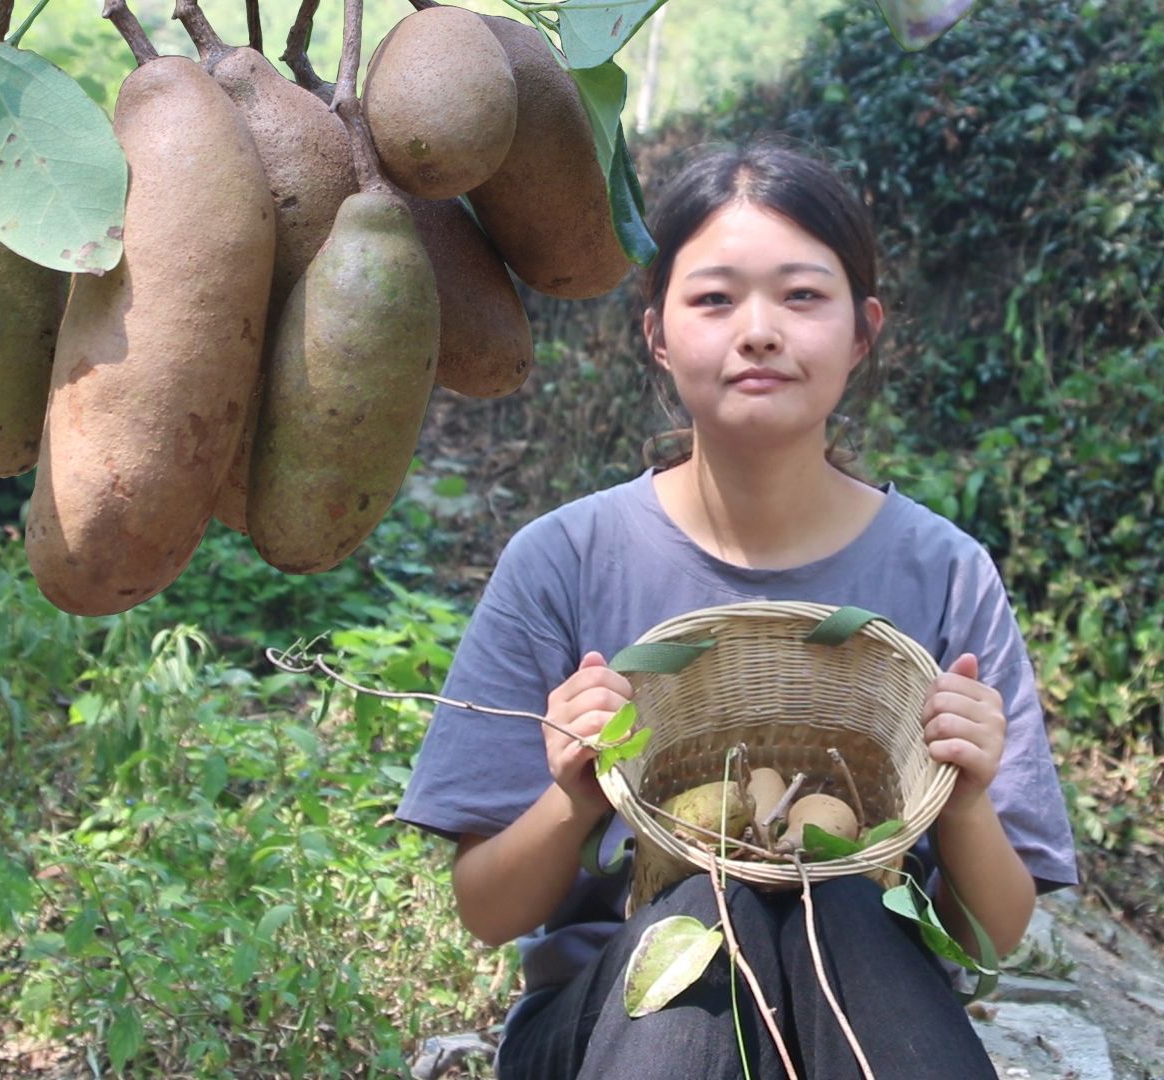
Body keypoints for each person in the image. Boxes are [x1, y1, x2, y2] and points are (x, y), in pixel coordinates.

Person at [397, 140, 1079, 1079]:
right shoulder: (564, 561)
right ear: (659, 335)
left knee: (839, 898)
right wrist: (572, 799)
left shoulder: (945, 574)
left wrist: (962, 802)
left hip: (866, 1011)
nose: (758, 331)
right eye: (715, 299)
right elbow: (487, 911)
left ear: (862, 332)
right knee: (703, 915)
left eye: (801, 297)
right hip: (606, 1029)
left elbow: (991, 936)